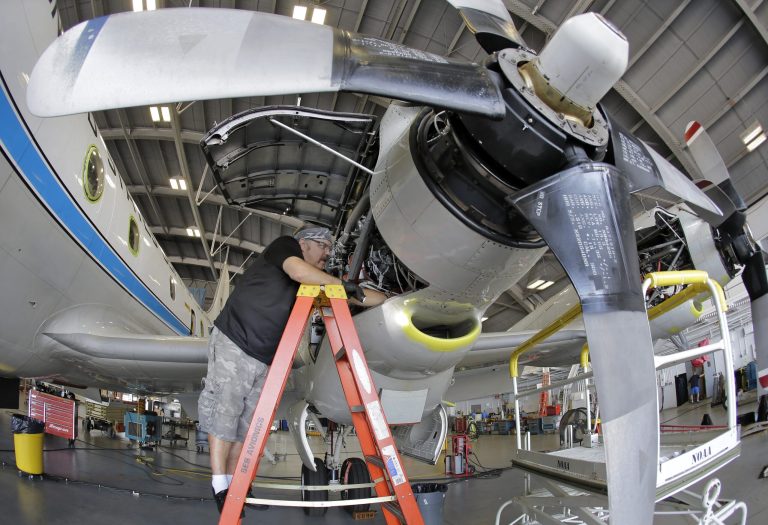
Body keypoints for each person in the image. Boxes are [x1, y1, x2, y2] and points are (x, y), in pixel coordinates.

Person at [197, 226, 386, 513]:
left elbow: (354, 295)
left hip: (266, 358)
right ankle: (220, 484)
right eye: (322, 245)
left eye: (329, 247)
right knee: (226, 410)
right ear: (303, 243)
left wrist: (393, 300)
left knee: (247, 425)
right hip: (235, 341)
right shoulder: (285, 247)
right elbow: (299, 271)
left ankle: (239, 485)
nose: (327, 252)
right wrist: (339, 285)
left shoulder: (315, 282)